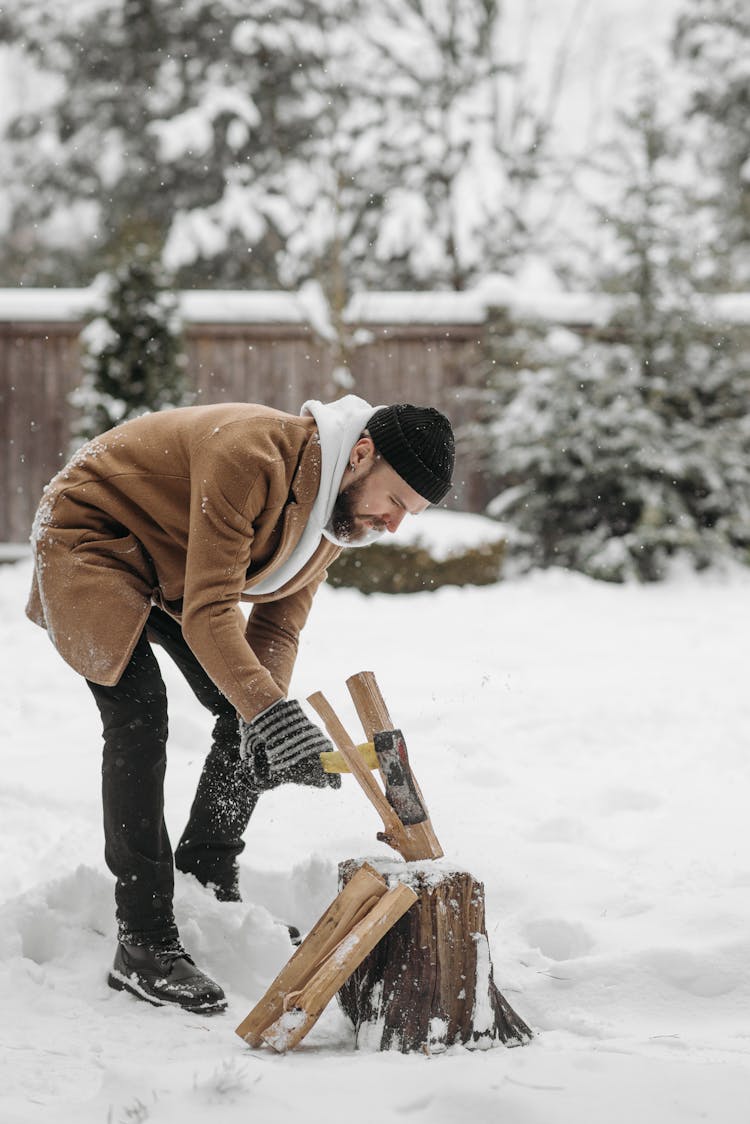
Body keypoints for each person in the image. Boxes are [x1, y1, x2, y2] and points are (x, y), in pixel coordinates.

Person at [26, 394, 455, 1013]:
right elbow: (209, 612)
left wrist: (265, 719)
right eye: (396, 502)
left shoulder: (335, 517)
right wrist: (270, 714)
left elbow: (276, 632)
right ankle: (143, 941)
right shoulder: (250, 455)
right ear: (361, 454)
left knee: (247, 708)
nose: (394, 524)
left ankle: (206, 876)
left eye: (408, 514)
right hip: (89, 537)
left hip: (170, 563)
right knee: (140, 714)